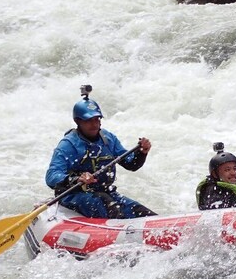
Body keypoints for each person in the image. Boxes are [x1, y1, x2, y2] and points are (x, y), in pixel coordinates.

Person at [45, 87, 157, 219]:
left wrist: (142, 153)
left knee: (145, 214)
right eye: (88, 120)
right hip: (74, 195)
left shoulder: (108, 139)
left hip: (105, 193)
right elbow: (51, 176)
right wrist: (76, 179)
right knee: (113, 211)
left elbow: (130, 164)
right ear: (78, 121)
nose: (94, 124)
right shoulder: (68, 145)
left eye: (96, 119)